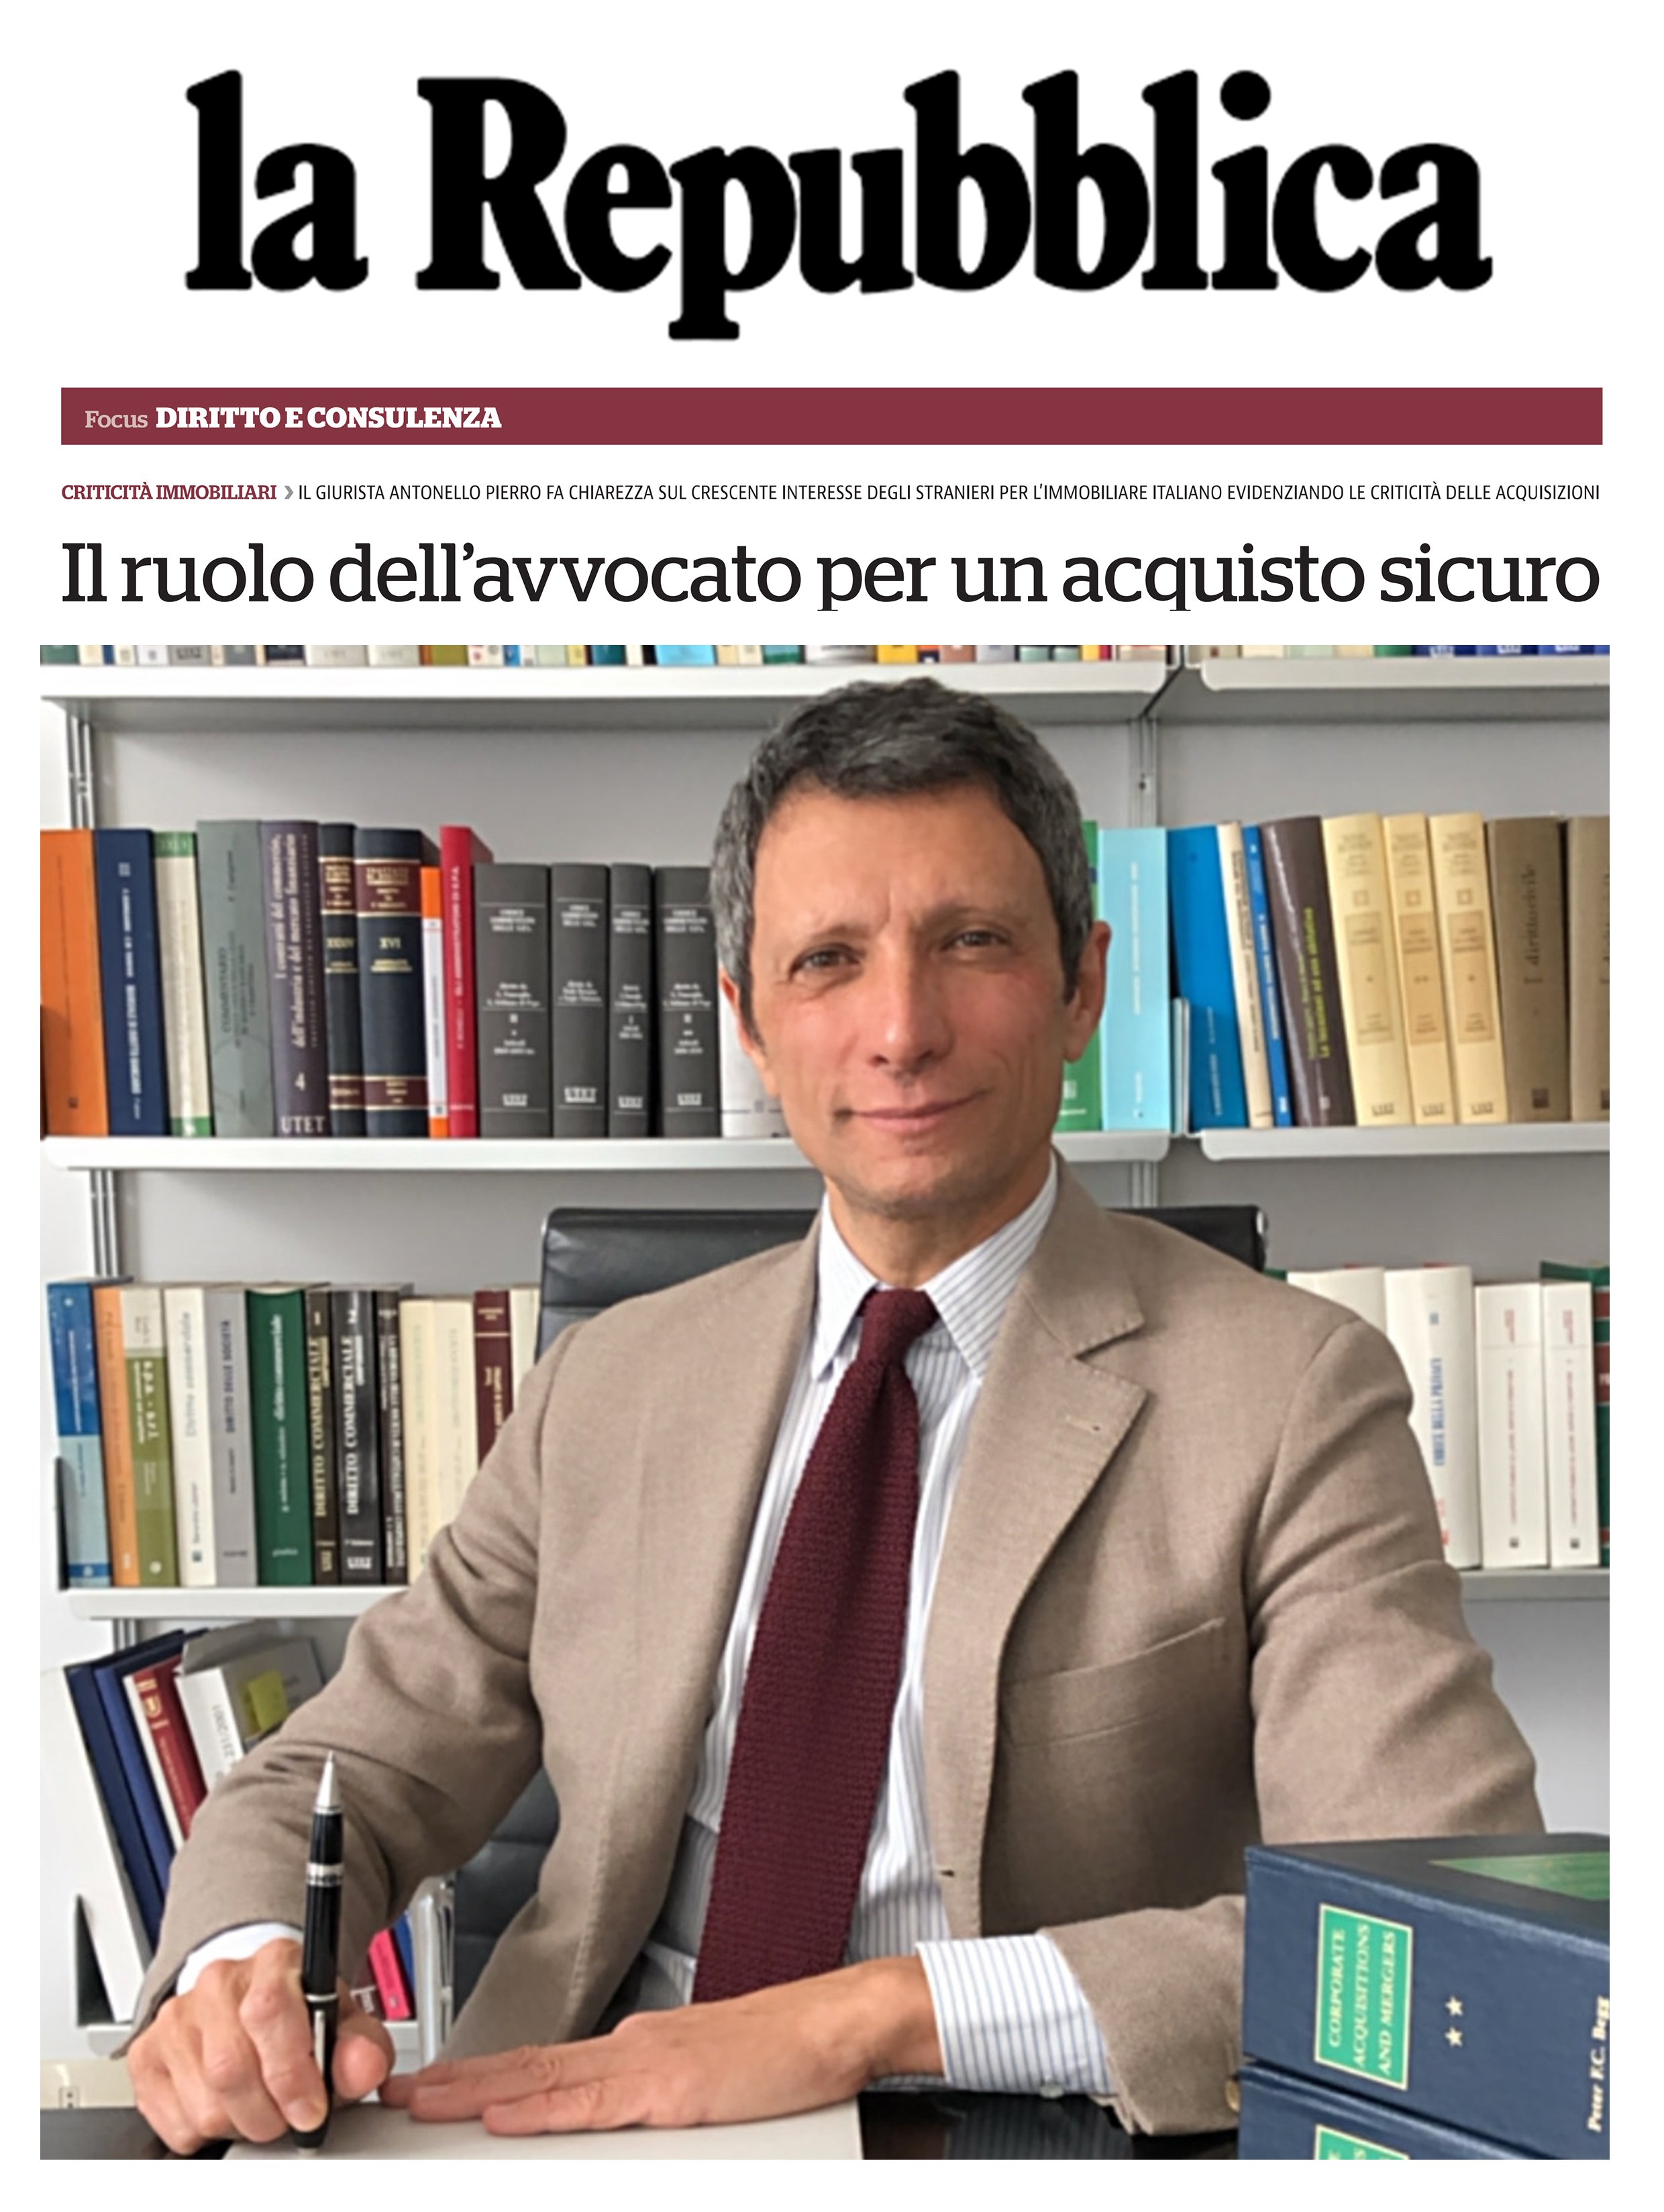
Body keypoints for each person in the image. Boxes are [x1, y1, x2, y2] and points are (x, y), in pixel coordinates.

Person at [124, 676, 1541, 2153]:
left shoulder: (1292, 1392)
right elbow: (344, 1773)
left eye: (972, 942)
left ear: (1081, 987)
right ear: (746, 1019)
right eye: (827, 961)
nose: (900, 1029)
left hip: (1031, 2126)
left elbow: (1440, 1912)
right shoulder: (606, 1386)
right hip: (584, 2123)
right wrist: (239, 1966)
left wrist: (865, 2012)